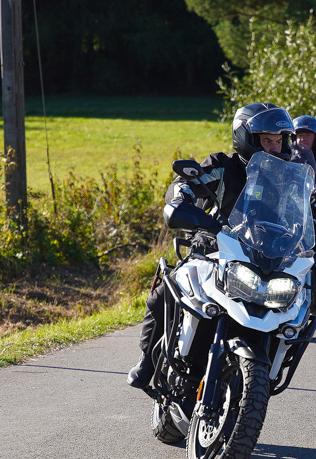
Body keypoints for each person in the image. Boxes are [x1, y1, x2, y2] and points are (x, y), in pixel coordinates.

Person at [127, 102, 296, 389]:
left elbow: (305, 217)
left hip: (263, 261)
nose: (274, 148)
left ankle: (259, 376)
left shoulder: (287, 178)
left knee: (294, 313)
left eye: (279, 141)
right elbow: (185, 182)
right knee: (164, 294)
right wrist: (180, 197)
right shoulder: (222, 166)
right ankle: (147, 360)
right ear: (247, 139)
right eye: (267, 140)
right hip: (213, 252)